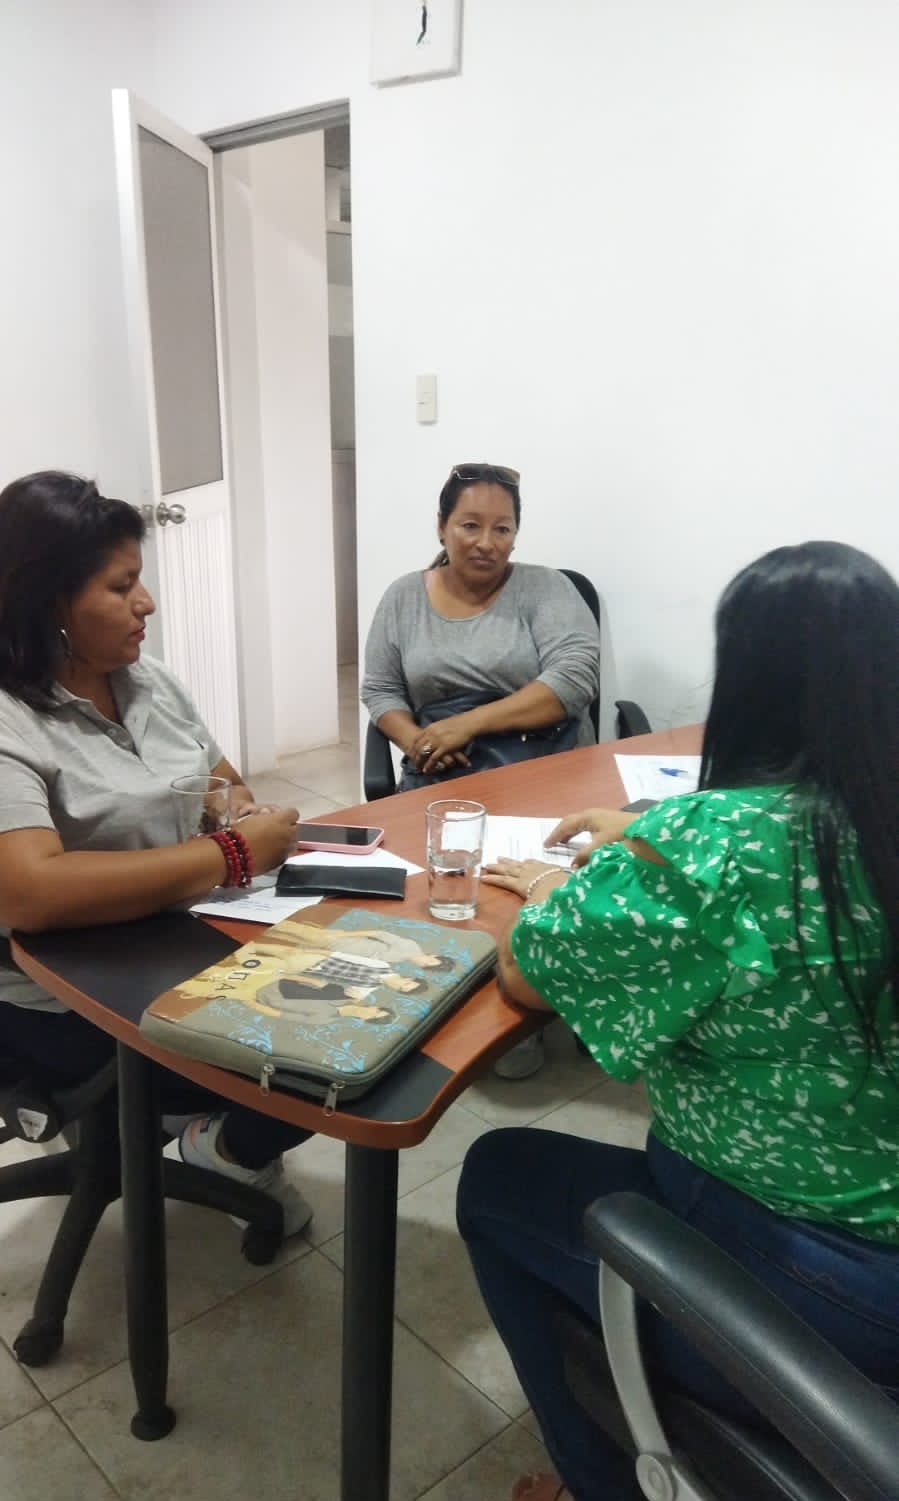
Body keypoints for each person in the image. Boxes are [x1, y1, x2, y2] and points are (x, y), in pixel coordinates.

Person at [457, 540, 899, 1501]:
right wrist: (646, 836)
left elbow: (524, 977)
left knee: (495, 1177)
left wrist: (560, 885)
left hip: (816, 1288)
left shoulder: (713, 849)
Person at [0, 470, 314, 1237]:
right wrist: (230, 852)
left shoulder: (151, 682)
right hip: (67, 993)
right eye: (122, 586)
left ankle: (222, 1146)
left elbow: (221, 782)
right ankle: (229, 1143)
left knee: (364, 1002)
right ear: (50, 602)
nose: (147, 603)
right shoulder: (10, 717)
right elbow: (29, 891)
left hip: (187, 939)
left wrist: (237, 813)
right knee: (314, 1051)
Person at [362, 460, 601, 1079]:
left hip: (546, 769)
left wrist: (467, 724)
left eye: (503, 528)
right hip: (443, 774)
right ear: (442, 527)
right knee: (449, 888)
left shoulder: (546, 589)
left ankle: (523, 999)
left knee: (523, 880)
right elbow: (381, 690)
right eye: (470, 525)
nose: (486, 542)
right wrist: (418, 741)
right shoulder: (402, 597)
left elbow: (573, 681)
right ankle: (457, 992)